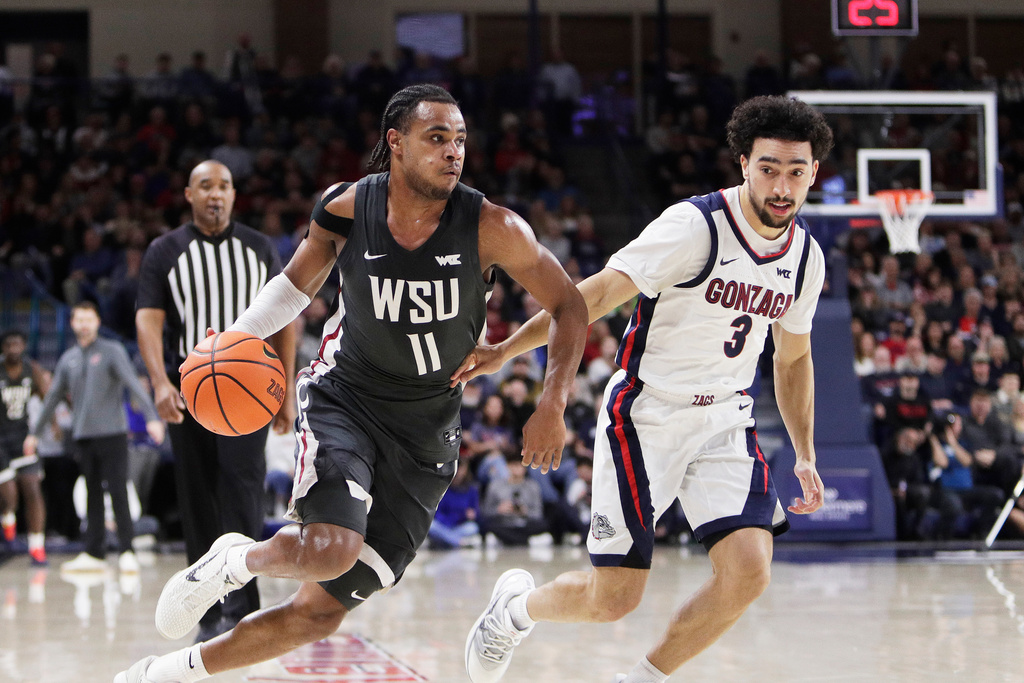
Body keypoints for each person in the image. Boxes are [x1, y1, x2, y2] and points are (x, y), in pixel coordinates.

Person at [115, 83, 587, 683]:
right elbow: (293, 285)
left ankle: (173, 671)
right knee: (331, 546)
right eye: (436, 138)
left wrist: (552, 401)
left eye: (460, 140)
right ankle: (236, 560)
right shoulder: (346, 207)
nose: (453, 152)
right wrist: (232, 338)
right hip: (348, 399)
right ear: (396, 143)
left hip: (427, 433)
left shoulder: (492, 226)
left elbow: (570, 306)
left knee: (318, 613)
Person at [458, 95, 832, 683]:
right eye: (768, 168)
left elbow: (794, 357)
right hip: (646, 416)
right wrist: (504, 352)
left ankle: (642, 679)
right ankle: (513, 612)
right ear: (742, 165)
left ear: (814, 172)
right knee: (613, 599)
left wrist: (805, 452)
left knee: (750, 571)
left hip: (726, 422)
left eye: (795, 171)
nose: (781, 185)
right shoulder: (695, 227)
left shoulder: (807, 257)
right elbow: (592, 297)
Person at [135, 159, 298, 641]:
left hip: (246, 396)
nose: (216, 194)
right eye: (206, 186)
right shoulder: (165, 250)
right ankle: (202, 609)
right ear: (188, 194)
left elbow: (288, 316)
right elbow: (148, 319)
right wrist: (160, 383)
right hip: (191, 392)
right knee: (198, 500)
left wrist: (284, 389)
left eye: (224, 186)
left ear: (233, 194)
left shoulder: (259, 247)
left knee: (242, 496)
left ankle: (243, 609)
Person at [23, 302, 165, 573]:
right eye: (80, 319)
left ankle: (127, 550)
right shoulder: (69, 358)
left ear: (98, 322)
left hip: (112, 433)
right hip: (83, 436)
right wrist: (34, 434)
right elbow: (52, 398)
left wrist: (151, 418)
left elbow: (133, 384)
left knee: (119, 490)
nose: (85, 324)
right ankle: (94, 552)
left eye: (90, 319)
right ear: (73, 323)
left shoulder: (112, 351)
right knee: (91, 494)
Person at [0, 330, 52, 565]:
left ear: (23, 346)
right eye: (9, 344)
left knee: (32, 488)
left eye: (17, 344)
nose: (13, 348)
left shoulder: (32, 370)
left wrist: (53, 423)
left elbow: (47, 396)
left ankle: (37, 547)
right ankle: (7, 519)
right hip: (1, 442)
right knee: (9, 495)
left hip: (23, 438)